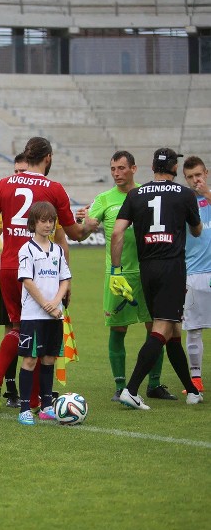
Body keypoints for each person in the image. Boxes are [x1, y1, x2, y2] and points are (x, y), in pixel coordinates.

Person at [0, 137, 84, 412]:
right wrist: (91, 224)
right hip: (41, 268)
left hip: (10, 265)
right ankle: (36, 399)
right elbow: (72, 234)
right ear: (48, 157)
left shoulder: (4, 184)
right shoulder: (54, 189)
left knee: (19, 328)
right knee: (43, 329)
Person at [75, 151, 174, 401]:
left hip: (149, 272)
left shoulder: (146, 193)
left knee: (156, 329)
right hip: (118, 275)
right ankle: (120, 387)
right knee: (118, 330)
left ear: (133, 168)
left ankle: (154, 384)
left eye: (121, 168)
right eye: (113, 169)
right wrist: (86, 224)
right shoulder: (104, 199)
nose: (117, 173)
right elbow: (81, 234)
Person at [111, 148, 203, 409]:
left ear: (152, 168)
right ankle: (131, 389)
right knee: (162, 329)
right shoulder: (185, 195)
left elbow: (118, 233)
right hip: (171, 268)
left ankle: (193, 392)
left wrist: (116, 271)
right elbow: (196, 231)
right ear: (175, 168)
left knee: (172, 330)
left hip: (146, 268)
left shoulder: (135, 194)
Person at [15, 202, 71, 425]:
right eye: (43, 221)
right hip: (33, 315)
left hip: (54, 314)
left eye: (51, 221)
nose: (48, 225)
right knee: (30, 360)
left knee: (49, 359)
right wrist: (45, 304)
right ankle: (25, 408)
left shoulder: (57, 249)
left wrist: (56, 303)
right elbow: (27, 281)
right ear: (33, 223)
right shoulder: (26, 249)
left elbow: (64, 279)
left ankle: (47, 406)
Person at [0, 153, 29, 408]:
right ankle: (11, 388)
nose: (19, 176)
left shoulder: (43, 202)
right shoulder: (11, 202)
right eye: (16, 171)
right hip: (14, 273)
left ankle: (28, 388)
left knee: (30, 330)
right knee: (12, 329)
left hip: (39, 274)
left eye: (23, 171)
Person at [182, 156, 211, 394]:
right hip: (193, 273)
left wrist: (208, 194)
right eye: (190, 177)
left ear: (206, 173)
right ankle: (196, 379)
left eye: (198, 175)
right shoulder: (184, 201)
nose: (195, 180)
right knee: (194, 328)